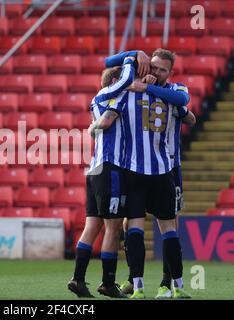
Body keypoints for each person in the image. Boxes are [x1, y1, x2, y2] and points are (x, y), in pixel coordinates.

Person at [97, 48, 193, 299]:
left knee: (167, 227)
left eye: (162, 69)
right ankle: (139, 285)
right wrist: (134, 53)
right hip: (149, 170)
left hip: (164, 168)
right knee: (139, 228)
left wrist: (142, 86)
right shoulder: (173, 94)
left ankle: (169, 285)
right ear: (147, 65)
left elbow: (186, 110)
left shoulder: (144, 92)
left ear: (170, 72)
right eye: (154, 66)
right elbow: (187, 111)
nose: (156, 72)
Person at [67, 50, 149, 298]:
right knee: (113, 228)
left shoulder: (98, 97)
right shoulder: (113, 96)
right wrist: (131, 59)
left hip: (96, 168)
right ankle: (107, 282)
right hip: (110, 167)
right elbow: (105, 122)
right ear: (116, 80)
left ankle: (78, 279)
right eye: (126, 79)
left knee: (92, 226)